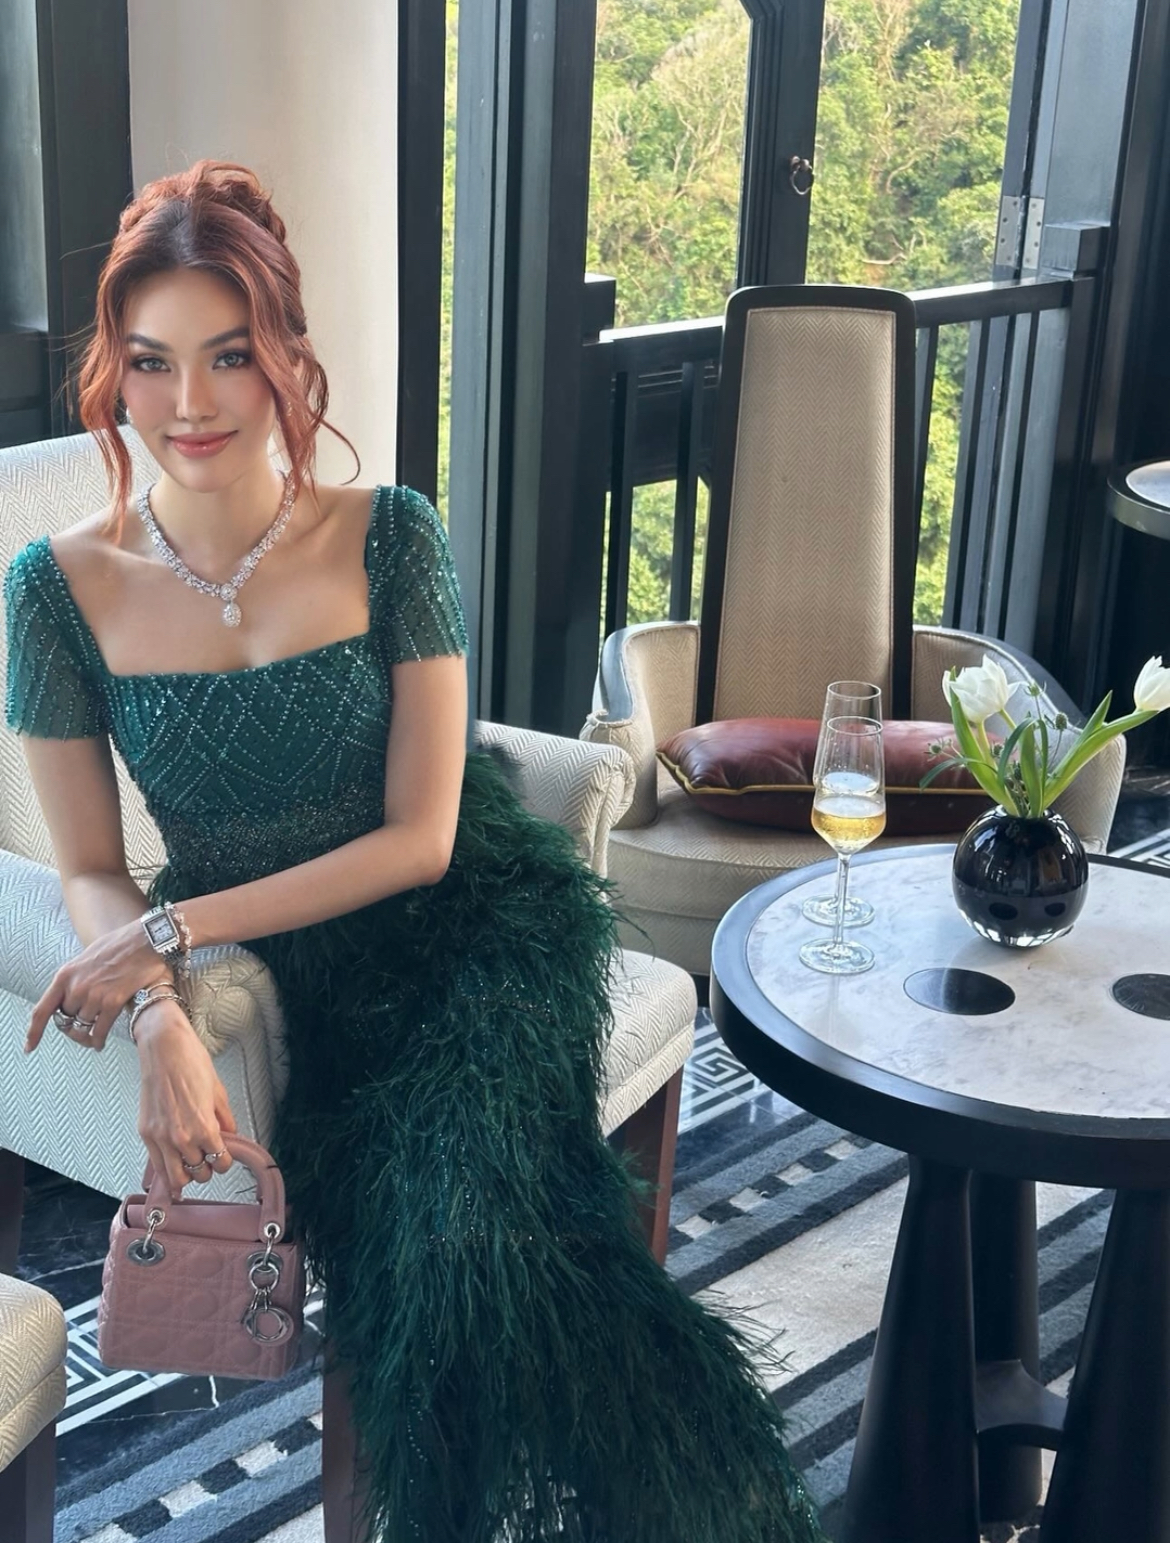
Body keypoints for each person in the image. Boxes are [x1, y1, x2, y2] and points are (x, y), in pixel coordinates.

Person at [4, 160, 822, 1543]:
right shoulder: (54, 591)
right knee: (436, 1255)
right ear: (112, 370)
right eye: (150, 361)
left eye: (228, 355)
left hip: (475, 925)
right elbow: (88, 865)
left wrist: (168, 932)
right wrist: (156, 1012)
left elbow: (423, 839)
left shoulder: (392, 536)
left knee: (466, 1229)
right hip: (291, 977)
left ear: (285, 355)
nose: (189, 403)